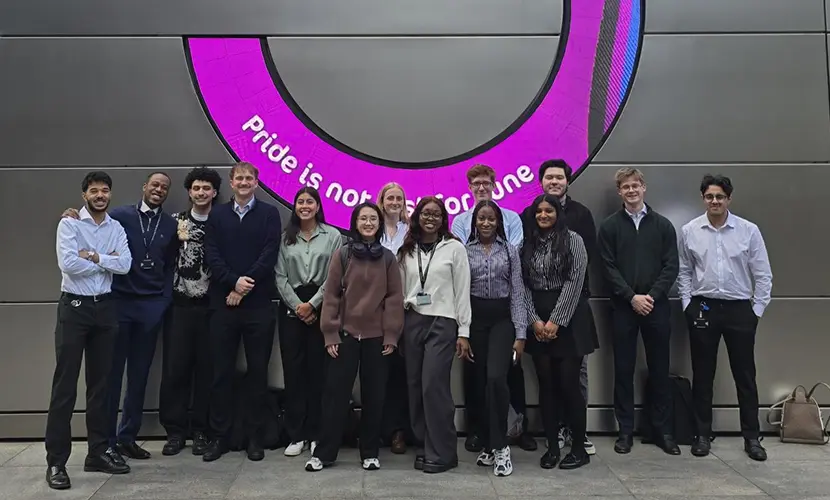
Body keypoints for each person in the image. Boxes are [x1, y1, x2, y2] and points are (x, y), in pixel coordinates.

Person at [61, 172, 178, 462]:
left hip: (151, 308)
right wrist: (73, 214)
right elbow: (94, 225)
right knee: (110, 376)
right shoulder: (120, 216)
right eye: (154, 185)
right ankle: (107, 441)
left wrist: (163, 300)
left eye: (164, 187)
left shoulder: (171, 224)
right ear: (144, 187)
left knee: (139, 376)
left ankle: (128, 437)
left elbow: (169, 266)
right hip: (119, 305)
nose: (159, 190)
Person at [46, 171, 132, 490]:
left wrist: (94, 256)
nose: (100, 195)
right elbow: (68, 264)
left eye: (104, 190)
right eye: (94, 190)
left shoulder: (116, 228)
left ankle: (97, 452)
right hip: (75, 309)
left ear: (110, 194)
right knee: (65, 386)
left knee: (101, 386)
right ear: (84, 195)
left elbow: (125, 265)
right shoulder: (69, 224)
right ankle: (56, 461)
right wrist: (107, 261)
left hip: (105, 309)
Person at [678, 175, 772, 461]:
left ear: (729, 199)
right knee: (703, 374)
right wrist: (687, 305)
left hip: (739, 309)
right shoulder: (690, 230)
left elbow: (763, 274)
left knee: (745, 376)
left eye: (720, 196)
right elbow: (684, 271)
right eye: (710, 196)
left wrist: (756, 311)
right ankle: (702, 435)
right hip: (703, 307)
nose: (715, 201)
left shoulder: (748, 231)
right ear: (703, 198)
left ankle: (752, 438)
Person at [305, 202, 405, 472]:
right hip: (345, 336)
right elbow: (331, 295)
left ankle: (370, 452)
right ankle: (324, 453)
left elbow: (394, 298)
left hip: (377, 339)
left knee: (375, 397)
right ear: (355, 223)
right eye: (364, 219)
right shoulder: (343, 254)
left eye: (373, 219)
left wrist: (391, 335)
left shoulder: (388, 258)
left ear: (379, 223)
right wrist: (330, 333)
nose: (368, 223)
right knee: (335, 397)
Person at [202, 162, 282, 462]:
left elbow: (269, 254)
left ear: (256, 183)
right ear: (232, 182)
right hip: (223, 305)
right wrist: (233, 282)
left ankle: (254, 437)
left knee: (258, 373)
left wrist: (243, 286)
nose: (245, 182)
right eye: (240, 178)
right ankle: (220, 437)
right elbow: (212, 254)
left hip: (258, 306)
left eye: (250, 178)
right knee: (220, 372)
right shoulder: (217, 215)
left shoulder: (269, 214)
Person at [450, 164, 533, 453]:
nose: (482, 187)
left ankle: (517, 428)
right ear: (469, 187)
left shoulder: (512, 220)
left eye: (486, 182)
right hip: (474, 314)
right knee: (476, 374)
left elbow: (516, 265)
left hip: (503, 313)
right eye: (476, 183)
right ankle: (479, 431)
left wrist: (521, 331)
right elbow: (459, 261)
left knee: (508, 373)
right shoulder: (460, 222)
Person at [598, 168, 680, 455]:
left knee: (660, 370)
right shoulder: (609, 227)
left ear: (644, 187)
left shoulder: (663, 225)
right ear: (619, 192)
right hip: (623, 308)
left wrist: (651, 297)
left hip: (656, 308)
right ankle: (625, 431)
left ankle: (662, 431)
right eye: (626, 187)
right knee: (623, 370)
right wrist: (631, 297)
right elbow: (607, 267)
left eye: (635, 185)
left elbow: (671, 266)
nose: (631, 191)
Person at [523, 159, 599, 455]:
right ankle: (553, 447)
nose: (543, 215)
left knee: (570, 385)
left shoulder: (573, 240)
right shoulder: (528, 244)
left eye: (549, 211)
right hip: (538, 321)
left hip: (569, 319)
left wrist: (556, 321)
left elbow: (574, 280)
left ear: (559, 214)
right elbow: (522, 284)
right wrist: (534, 320)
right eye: (539, 212)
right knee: (547, 386)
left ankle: (578, 447)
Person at [400, 196, 472, 473]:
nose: (430, 218)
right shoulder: (407, 249)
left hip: (443, 321)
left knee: (434, 386)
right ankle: (424, 445)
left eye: (436, 214)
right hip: (412, 319)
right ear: (417, 217)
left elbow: (462, 291)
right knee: (414, 386)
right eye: (425, 213)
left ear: (443, 219)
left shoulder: (455, 248)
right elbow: (401, 289)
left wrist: (463, 331)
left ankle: (443, 452)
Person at [159, 167, 222, 456]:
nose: (201, 192)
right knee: (176, 369)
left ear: (215, 192)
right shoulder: (176, 221)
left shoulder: (221, 222)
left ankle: (201, 430)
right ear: (189, 191)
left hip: (211, 307)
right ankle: (175, 431)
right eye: (196, 188)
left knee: (207, 371)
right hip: (180, 305)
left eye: (206, 188)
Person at [276, 186, 343, 457]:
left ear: (318, 206)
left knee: (319, 373)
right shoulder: (285, 238)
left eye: (310, 202)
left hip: (322, 305)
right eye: (300, 202)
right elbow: (279, 276)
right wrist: (298, 306)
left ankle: (316, 433)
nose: (305, 206)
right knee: (294, 373)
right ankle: (296, 434)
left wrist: (313, 304)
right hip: (291, 307)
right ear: (295, 207)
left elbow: (335, 275)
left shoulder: (332, 235)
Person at [464, 200, 526, 477]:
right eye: (481, 218)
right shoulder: (465, 251)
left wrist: (520, 334)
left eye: (491, 218)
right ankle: (489, 444)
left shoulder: (510, 251)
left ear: (499, 222)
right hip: (475, 321)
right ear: (474, 222)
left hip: (502, 320)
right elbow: (461, 293)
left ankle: (501, 447)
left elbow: (518, 292)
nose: (486, 223)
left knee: (496, 378)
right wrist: (462, 332)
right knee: (480, 384)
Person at [377, 182, 412, 454]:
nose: (394, 202)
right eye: (390, 198)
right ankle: (379, 429)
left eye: (399, 198)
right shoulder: (372, 228)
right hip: (375, 309)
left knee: (401, 372)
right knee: (379, 371)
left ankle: (400, 430)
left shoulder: (410, 232)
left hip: (405, 307)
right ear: (382, 201)